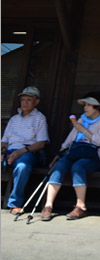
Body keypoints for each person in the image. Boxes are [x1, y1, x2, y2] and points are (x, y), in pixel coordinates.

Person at [40, 92, 100, 221]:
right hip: (74, 153)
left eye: (90, 105)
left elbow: (98, 141)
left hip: (92, 157)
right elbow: (70, 139)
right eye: (85, 104)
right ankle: (48, 206)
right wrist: (59, 154)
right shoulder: (81, 119)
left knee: (78, 167)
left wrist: (83, 129)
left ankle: (80, 206)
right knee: (60, 165)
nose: (86, 107)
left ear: (98, 107)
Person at [1, 86, 49, 214]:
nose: (25, 102)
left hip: (28, 152)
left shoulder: (40, 118)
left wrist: (20, 152)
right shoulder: (14, 119)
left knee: (22, 167)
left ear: (36, 102)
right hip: (9, 151)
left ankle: (14, 203)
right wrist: (3, 152)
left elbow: (41, 143)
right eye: (23, 99)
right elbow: (4, 140)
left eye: (29, 99)